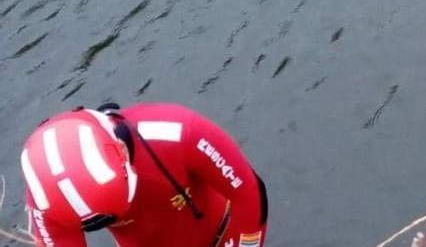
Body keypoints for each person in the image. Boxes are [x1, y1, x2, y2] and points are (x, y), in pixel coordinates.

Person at [19, 102, 267, 247]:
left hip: (224, 232)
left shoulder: (180, 133)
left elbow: (250, 194)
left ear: (123, 149)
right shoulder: (48, 201)